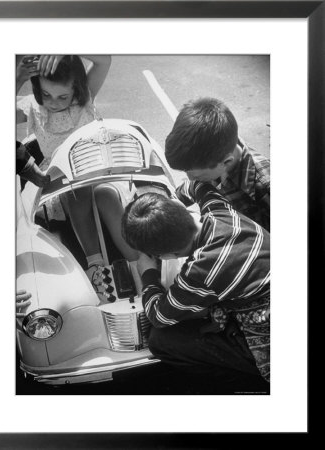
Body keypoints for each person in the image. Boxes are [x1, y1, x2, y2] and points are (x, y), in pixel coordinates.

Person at [16, 55, 138, 298]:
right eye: (47, 94)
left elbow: (104, 60)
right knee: (77, 194)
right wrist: (16, 77)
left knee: (104, 195)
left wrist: (65, 46)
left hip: (101, 171)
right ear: (37, 88)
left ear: (77, 89)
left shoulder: (84, 100)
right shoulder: (33, 107)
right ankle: (96, 267)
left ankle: (139, 265)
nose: (54, 103)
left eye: (63, 96)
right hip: (64, 184)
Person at [121, 185, 270, 383]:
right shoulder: (221, 210)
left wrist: (148, 273)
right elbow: (198, 185)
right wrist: (174, 198)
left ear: (166, 256)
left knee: (160, 340)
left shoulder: (199, 273)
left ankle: (248, 385)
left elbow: (158, 316)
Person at [165, 97, 270, 231]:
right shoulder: (213, 157)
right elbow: (190, 188)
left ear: (226, 162)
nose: (191, 179)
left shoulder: (265, 186)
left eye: (196, 176)